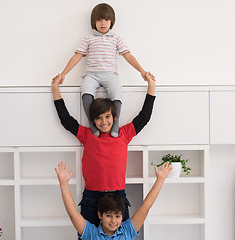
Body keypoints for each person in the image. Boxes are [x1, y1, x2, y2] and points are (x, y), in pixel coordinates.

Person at [51, 72, 156, 227]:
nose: (104, 121)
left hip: (117, 195)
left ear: (114, 117)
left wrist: (151, 86)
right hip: (92, 196)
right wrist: (55, 89)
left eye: (107, 117)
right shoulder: (87, 135)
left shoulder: (124, 134)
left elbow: (144, 117)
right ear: (93, 120)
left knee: (122, 236)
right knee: (87, 235)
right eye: (99, 118)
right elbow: (66, 120)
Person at [53, 3, 154, 138]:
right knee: (86, 93)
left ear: (111, 21)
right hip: (92, 75)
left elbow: (128, 55)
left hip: (110, 74)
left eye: (106, 19)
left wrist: (142, 71)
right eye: (99, 19)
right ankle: (93, 124)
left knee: (116, 92)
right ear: (94, 21)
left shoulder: (116, 39)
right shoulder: (88, 39)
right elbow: (77, 56)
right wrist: (64, 73)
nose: (102, 23)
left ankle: (115, 123)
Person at [55, 161, 172, 239]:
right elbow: (72, 214)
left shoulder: (127, 231)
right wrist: (63, 183)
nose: (113, 221)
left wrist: (160, 179)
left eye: (117, 216)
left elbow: (145, 207)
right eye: (109, 215)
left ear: (122, 217)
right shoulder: (92, 233)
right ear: (100, 215)